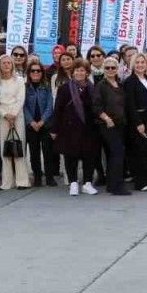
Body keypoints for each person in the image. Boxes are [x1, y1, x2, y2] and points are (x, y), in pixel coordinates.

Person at [54, 61, 100, 196]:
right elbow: (58, 110)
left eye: (82, 70)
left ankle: (87, 183)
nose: (79, 73)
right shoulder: (64, 88)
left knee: (89, 156)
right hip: (69, 128)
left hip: (89, 127)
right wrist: (55, 129)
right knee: (70, 156)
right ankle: (73, 183)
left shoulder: (92, 88)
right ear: (72, 72)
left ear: (87, 72)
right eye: (77, 70)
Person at [91, 56, 130, 195]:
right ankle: (117, 186)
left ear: (117, 69)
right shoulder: (101, 85)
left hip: (121, 124)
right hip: (108, 124)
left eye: (113, 67)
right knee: (117, 153)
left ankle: (111, 184)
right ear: (103, 69)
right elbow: (96, 106)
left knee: (115, 154)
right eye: (107, 67)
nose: (110, 70)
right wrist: (106, 119)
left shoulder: (120, 84)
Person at [0, 54, 31, 190]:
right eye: (3, 63)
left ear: (12, 65)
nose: (6, 65)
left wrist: (13, 115)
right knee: (5, 150)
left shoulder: (19, 80)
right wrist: (5, 115)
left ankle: (22, 181)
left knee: (18, 148)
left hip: (17, 117)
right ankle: (7, 182)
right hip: (2, 118)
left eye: (8, 63)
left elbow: (21, 99)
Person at [23, 62, 57, 187]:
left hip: (45, 124)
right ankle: (37, 177)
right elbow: (23, 106)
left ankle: (49, 177)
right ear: (29, 73)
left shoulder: (47, 86)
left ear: (42, 73)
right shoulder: (25, 87)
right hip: (31, 124)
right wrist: (31, 121)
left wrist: (42, 121)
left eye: (38, 70)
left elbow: (50, 105)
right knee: (34, 152)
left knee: (48, 152)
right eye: (33, 71)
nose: (36, 73)